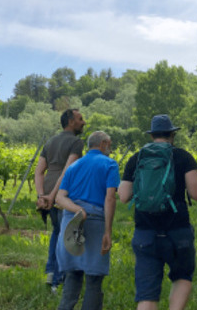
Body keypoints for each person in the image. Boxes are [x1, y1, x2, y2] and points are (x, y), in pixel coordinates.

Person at [118, 114, 197, 310]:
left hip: (145, 232)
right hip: (178, 231)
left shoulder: (136, 158)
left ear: (152, 135)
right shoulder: (183, 156)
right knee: (182, 277)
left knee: (147, 294)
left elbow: (123, 196)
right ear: (172, 134)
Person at [54, 131, 120, 310]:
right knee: (93, 280)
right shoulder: (110, 164)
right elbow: (110, 198)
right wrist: (108, 231)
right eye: (110, 144)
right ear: (104, 143)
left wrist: (77, 210)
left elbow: (59, 198)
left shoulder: (74, 166)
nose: (110, 148)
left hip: (70, 222)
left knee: (72, 276)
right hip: (95, 222)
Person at [34, 108, 86, 292]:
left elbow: (39, 171)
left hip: (49, 190)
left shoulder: (50, 141)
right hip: (63, 192)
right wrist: (55, 195)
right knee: (65, 234)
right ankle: (58, 278)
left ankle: (51, 272)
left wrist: (42, 195)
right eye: (80, 119)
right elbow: (67, 170)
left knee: (57, 232)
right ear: (71, 121)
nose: (83, 122)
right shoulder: (76, 143)